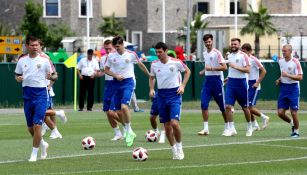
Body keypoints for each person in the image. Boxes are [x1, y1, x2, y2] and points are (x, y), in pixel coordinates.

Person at [104, 36, 151, 147]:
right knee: (119, 112)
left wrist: (150, 75)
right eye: (115, 47)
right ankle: (128, 130)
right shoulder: (111, 56)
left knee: (124, 107)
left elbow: (140, 64)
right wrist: (115, 75)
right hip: (116, 83)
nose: (117, 49)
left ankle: (129, 131)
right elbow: (106, 70)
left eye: (118, 47)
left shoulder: (131, 54)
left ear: (123, 45)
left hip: (128, 82)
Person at [149, 42, 191, 160]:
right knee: (167, 126)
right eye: (156, 52)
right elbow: (151, 77)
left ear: (166, 51)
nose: (158, 54)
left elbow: (188, 71)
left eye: (160, 52)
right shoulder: (154, 64)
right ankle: (174, 150)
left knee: (174, 123)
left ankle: (180, 147)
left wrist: (182, 85)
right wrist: (152, 89)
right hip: (161, 95)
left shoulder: (176, 62)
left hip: (174, 94)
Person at [14, 36, 52, 162]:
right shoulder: (22, 60)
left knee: (37, 126)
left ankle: (34, 154)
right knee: (30, 128)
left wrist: (51, 76)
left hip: (41, 94)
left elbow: (54, 75)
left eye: (37, 45)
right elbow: (17, 75)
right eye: (32, 45)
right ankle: (42, 144)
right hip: (27, 94)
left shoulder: (45, 60)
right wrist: (18, 78)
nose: (35, 47)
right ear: (27, 46)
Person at [198, 34, 228, 136]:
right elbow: (208, 67)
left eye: (209, 41)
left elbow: (224, 67)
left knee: (222, 107)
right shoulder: (204, 53)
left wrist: (211, 69)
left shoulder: (217, 53)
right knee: (203, 104)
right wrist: (203, 71)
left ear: (212, 41)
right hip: (207, 82)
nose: (208, 44)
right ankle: (206, 129)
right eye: (206, 42)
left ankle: (228, 127)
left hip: (217, 82)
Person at [223, 38, 253, 137]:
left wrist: (235, 66)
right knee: (227, 106)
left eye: (235, 44)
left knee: (245, 107)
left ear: (239, 45)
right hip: (231, 83)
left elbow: (248, 70)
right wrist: (227, 78)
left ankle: (250, 126)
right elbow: (231, 69)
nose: (233, 46)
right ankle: (231, 128)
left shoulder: (243, 56)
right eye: (232, 44)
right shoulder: (229, 56)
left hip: (241, 84)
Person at [276, 44, 303, 137]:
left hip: (293, 88)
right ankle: (292, 123)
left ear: (290, 52)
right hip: (284, 88)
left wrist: (288, 75)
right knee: (280, 113)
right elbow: (282, 73)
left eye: (285, 51)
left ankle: (296, 131)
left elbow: (300, 77)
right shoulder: (280, 61)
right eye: (282, 51)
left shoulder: (295, 62)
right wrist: (279, 79)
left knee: (294, 112)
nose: (283, 52)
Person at [241, 43, 269, 131]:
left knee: (249, 107)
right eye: (242, 51)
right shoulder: (243, 60)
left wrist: (257, 83)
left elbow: (264, 71)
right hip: (246, 84)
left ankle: (264, 117)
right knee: (245, 106)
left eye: (245, 51)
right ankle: (255, 125)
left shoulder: (254, 59)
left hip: (254, 85)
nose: (243, 53)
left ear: (249, 51)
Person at [99, 39, 123, 141]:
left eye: (110, 48)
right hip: (107, 85)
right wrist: (95, 74)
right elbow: (102, 72)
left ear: (113, 47)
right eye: (106, 49)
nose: (108, 51)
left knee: (111, 112)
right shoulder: (102, 59)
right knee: (107, 111)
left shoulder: (118, 57)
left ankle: (127, 127)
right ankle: (118, 133)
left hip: (116, 85)